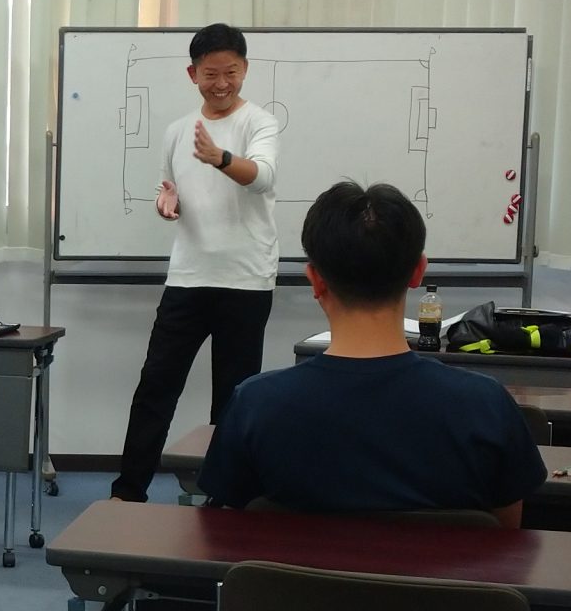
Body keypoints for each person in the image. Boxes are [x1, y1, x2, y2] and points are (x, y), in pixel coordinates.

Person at [199, 180, 547, 524]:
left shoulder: (255, 406)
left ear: (315, 280)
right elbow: (505, 538)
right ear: (418, 272)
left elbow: (229, 533)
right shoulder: (486, 406)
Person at [110, 23, 284, 502]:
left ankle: (223, 498)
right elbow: (168, 188)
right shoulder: (176, 131)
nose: (222, 83)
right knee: (155, 387)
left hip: (246, 281)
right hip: (188, 278)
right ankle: (128, 493)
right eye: (211, 74)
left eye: (231, 72)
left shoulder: (260, 123)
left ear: (245, 69)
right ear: (193, 74)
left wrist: (220, 157)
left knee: (231, 398)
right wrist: (166, 202)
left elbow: (263, 177)